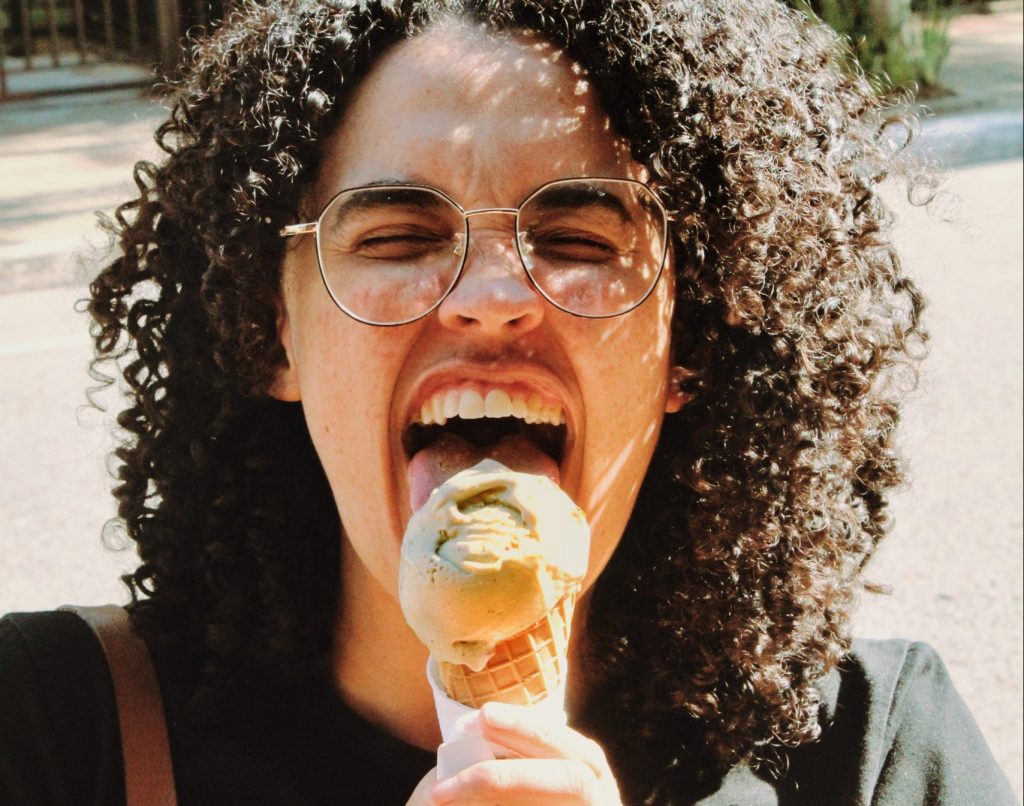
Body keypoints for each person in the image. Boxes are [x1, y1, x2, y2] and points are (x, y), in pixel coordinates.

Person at [0, 1, 1016, 804]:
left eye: (578, 239)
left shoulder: (872, 751)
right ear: (271, 330)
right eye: (397, 235)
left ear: (688, 344)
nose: (493, 300)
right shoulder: (52, 730)